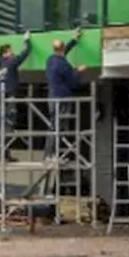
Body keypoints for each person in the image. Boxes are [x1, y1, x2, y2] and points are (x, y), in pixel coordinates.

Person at [44, 30, 86, 162]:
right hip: (62, 98)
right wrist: (78, 71)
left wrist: (74, 40)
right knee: (58, 128)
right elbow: (73, 83)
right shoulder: (64, 65)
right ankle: (51, 156)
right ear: (61, 49)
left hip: (52, 97)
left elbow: (62, 53)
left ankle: (50, 155)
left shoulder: (50, 60)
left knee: (54, 127)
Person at [0, 31, 30, 162]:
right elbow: (24, 54)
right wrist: (27, 40)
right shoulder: (10, 62)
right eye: (10, 51)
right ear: (5, 54)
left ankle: (3, 153)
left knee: (5, 126)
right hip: (9, 97)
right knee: (8, 126)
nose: (12, 53)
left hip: (0, 98)